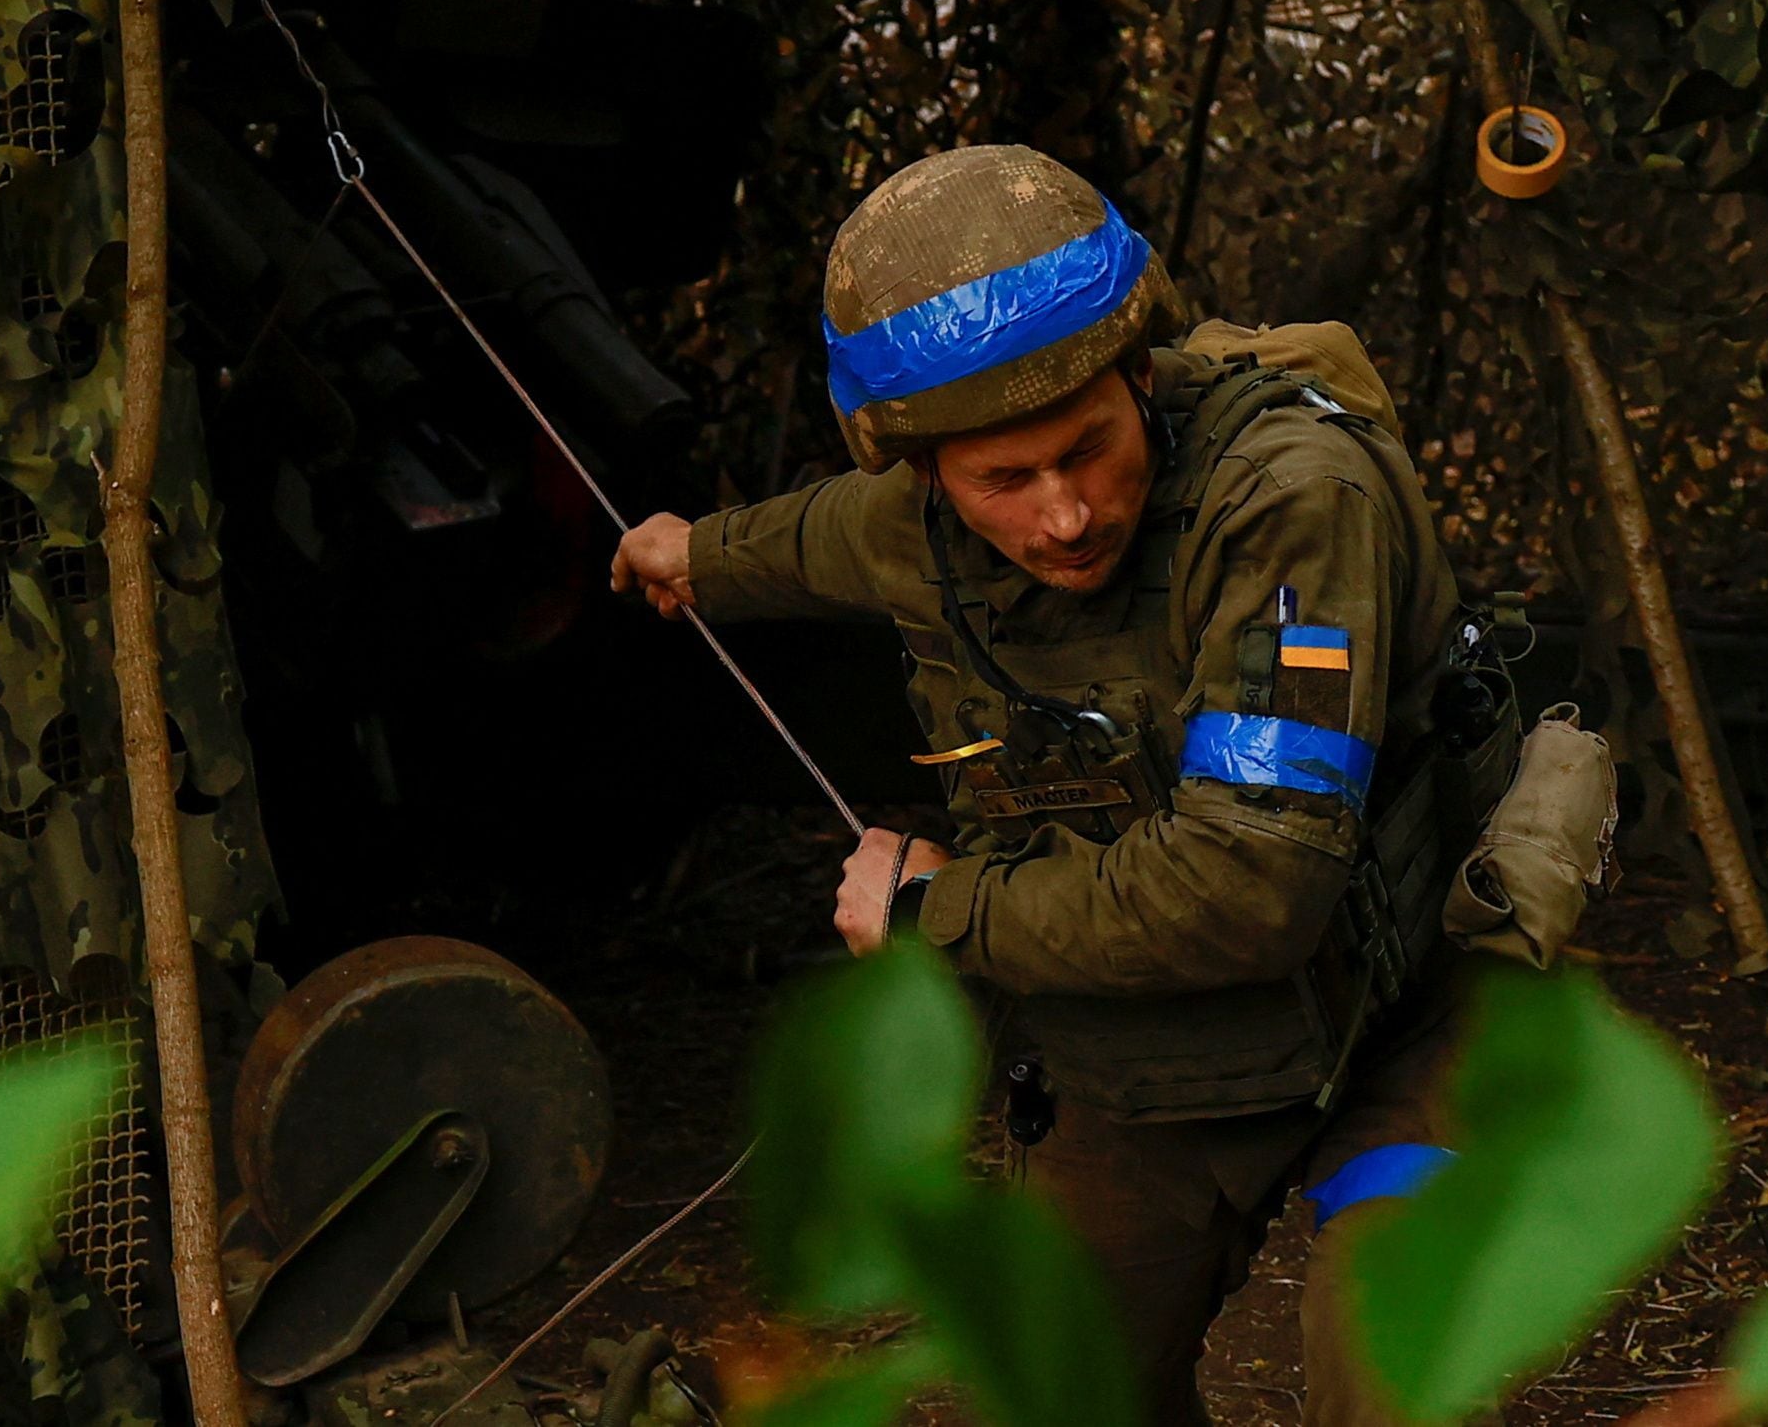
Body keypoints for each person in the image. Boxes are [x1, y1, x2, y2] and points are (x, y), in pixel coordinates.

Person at [611, 145, 1480, 1427]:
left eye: (1089, 449)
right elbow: (823, 537)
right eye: (1003, 481)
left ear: (1141, 375)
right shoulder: (915, 520)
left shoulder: (1292, 496)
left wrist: (936, 912)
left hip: (1400, 1010)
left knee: (1385, 1387)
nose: (1064, 515)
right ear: (926, 474)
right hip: (1160, 1049)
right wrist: (696, 553)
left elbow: (1252, 884)